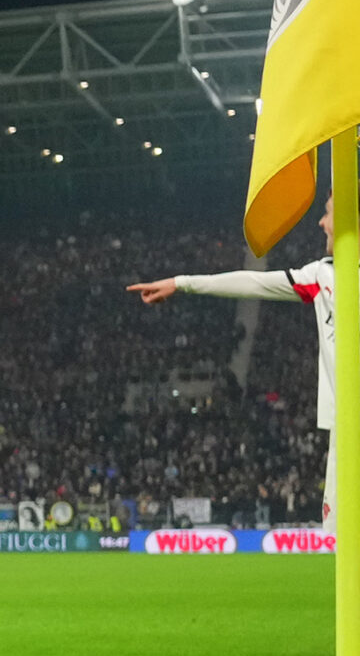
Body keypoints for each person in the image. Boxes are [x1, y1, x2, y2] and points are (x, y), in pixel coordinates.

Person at [129, 192, 338, 523]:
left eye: (327, 213)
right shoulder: (324, 276)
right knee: (341, 538)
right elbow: (253, 282)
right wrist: (180, 282)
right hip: (345, 429)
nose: (320, 222)